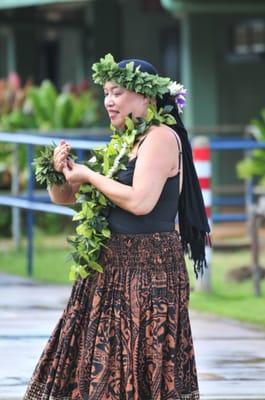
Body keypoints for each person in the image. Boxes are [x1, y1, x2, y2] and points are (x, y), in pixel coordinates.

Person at [24, 54, 210, 400]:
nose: (109, 101)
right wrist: (58, 171)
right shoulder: (121, 143)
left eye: (118, 92)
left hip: (148, 272)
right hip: (106, 269)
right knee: (94, 364)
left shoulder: (161, 138)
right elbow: (64, 197)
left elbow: (141, 201)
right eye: (106, 92)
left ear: (146, 96)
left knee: (136, 364)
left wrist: (90, 175)